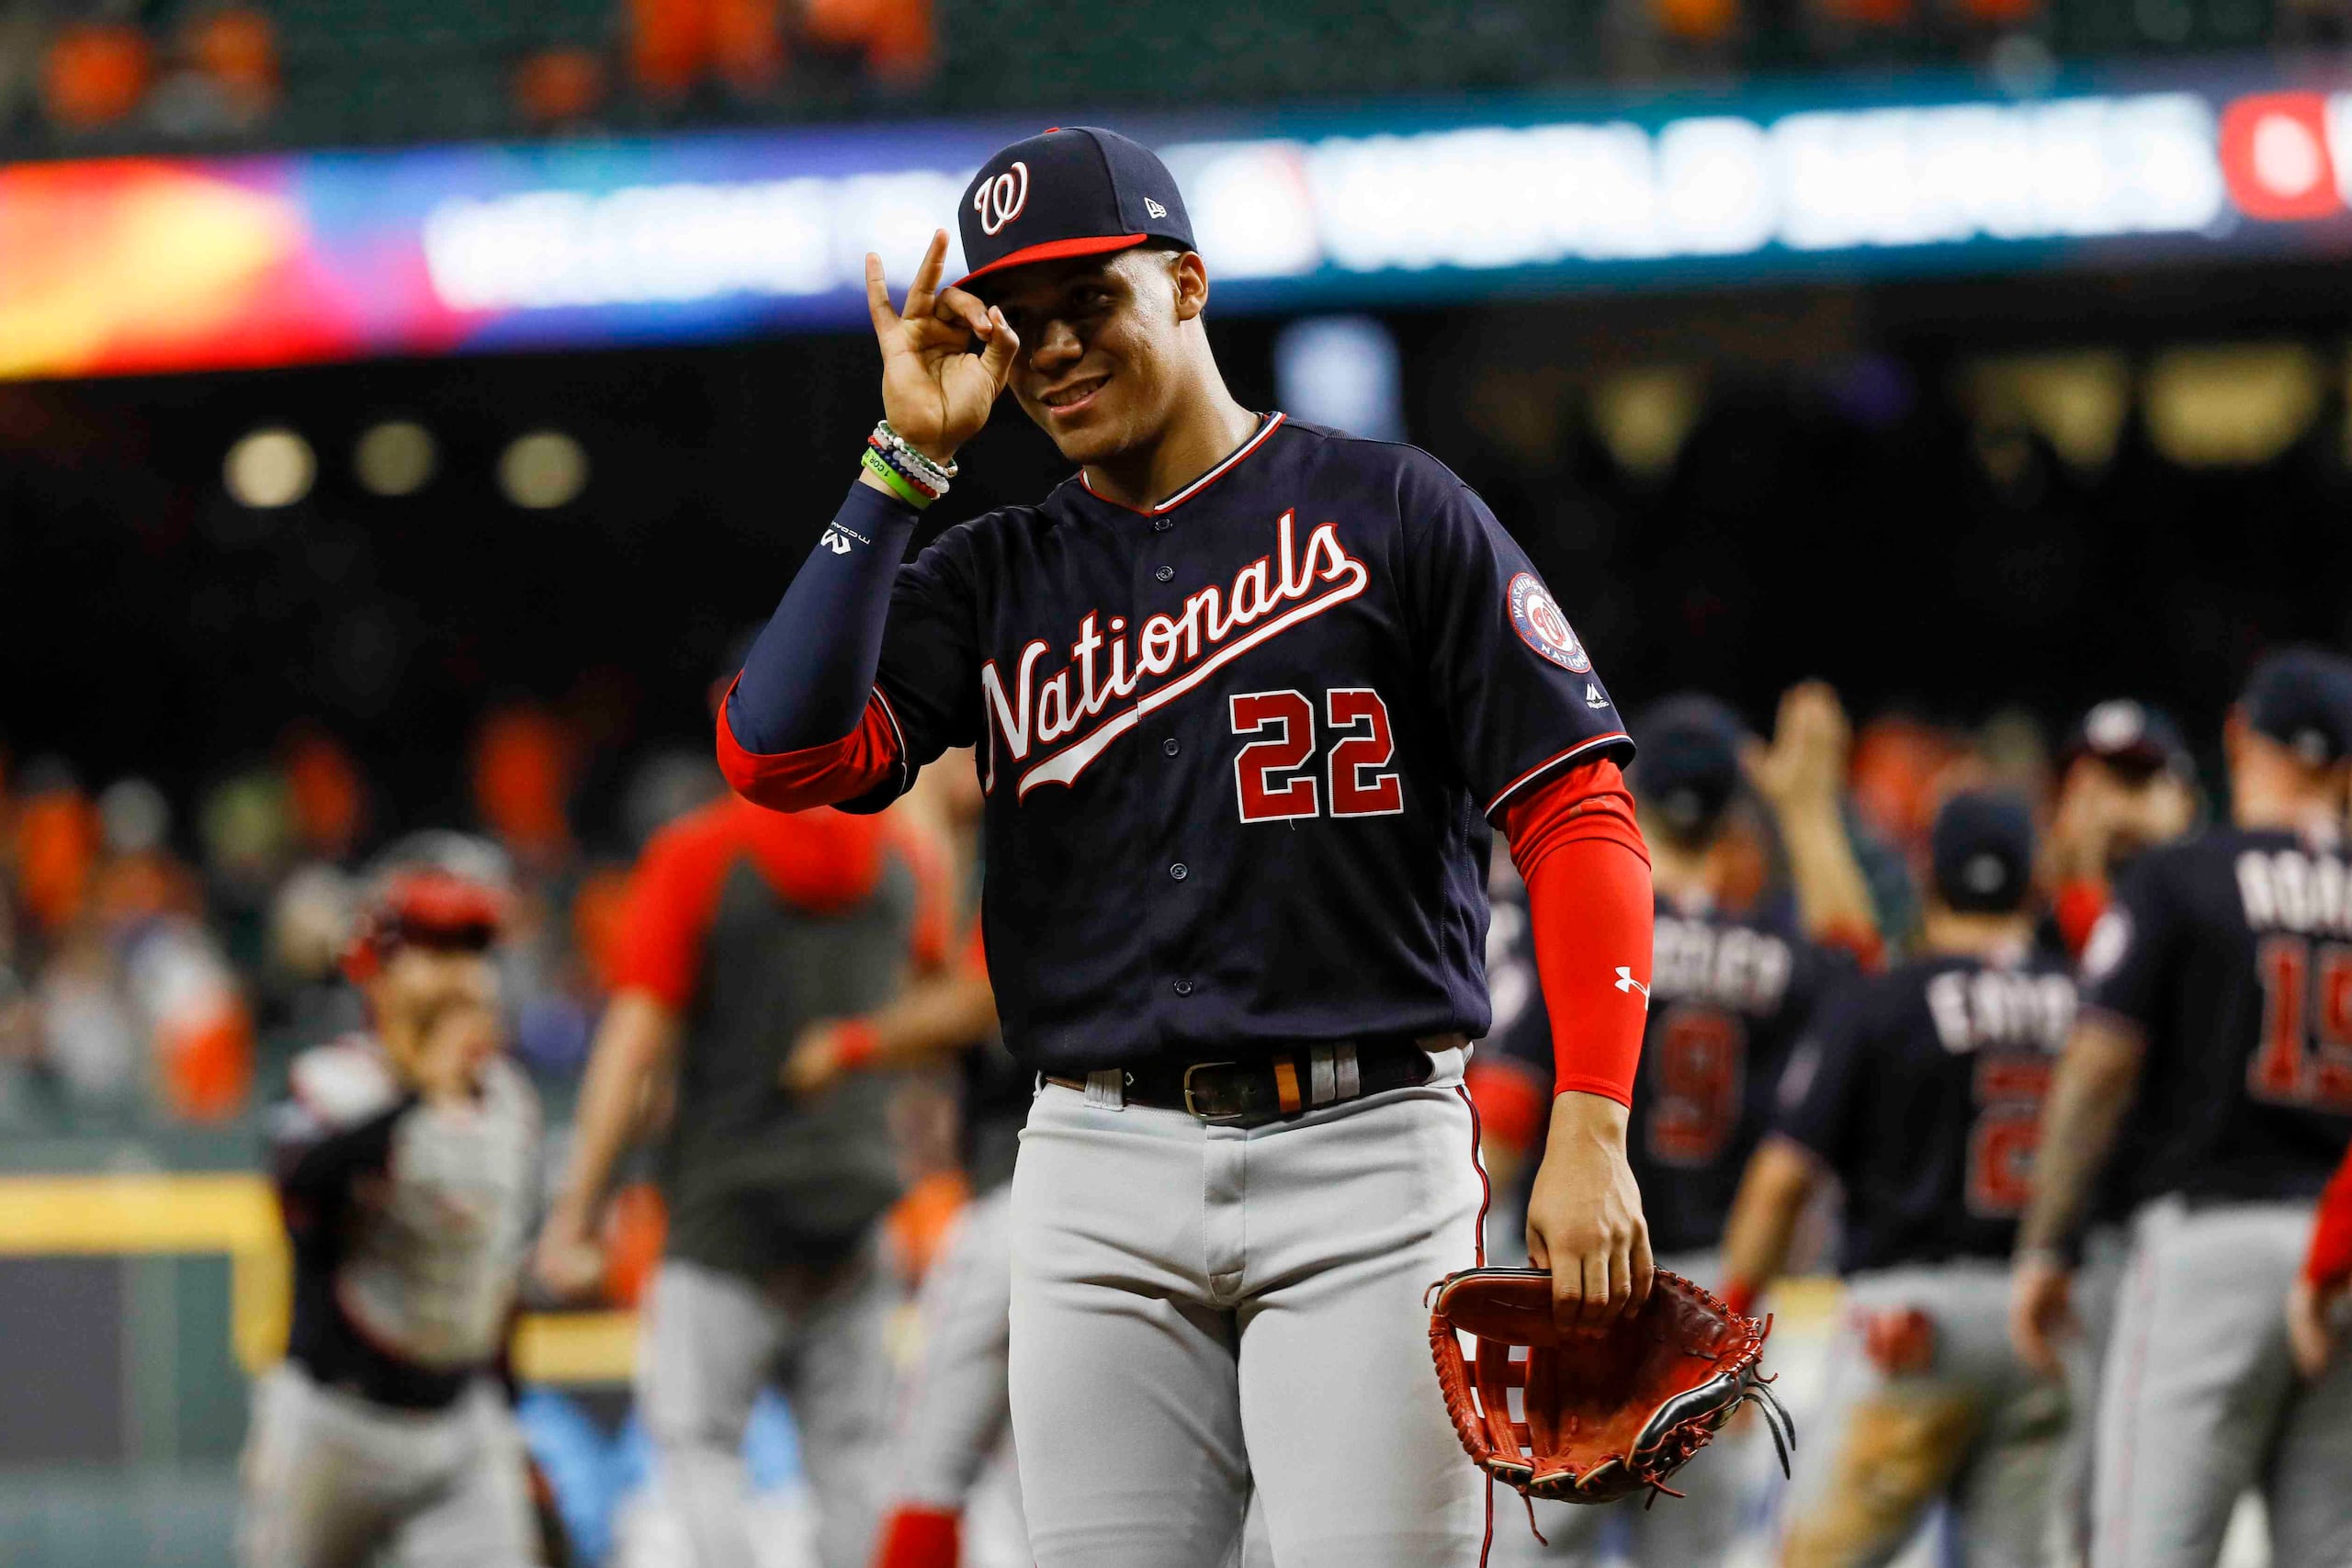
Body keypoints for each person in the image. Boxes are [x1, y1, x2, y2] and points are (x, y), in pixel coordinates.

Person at [714, 125, 1657, 1567]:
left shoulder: (1392, 508)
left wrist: (1591, 1123)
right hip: (1095, 1163)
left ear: (1189, 283)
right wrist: (901, 463)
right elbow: (776, 753)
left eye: (1090, 301)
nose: (1054, 349)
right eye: (1019, 322)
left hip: (1365, 1148)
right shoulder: (993, 574)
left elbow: (1576, 807)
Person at [1470, 690, 1862, 1566]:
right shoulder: (1777, 949)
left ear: (1634, 801)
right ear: (1732, 813)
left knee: (1536, 1537)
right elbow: (1858, 973)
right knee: (1694, 1548)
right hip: (1710, 1291)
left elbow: (1508, 1109)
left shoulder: (1580, 927)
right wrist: (1806, 811)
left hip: (1576, 1276)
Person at [530, 786, 951, 1568]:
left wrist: (576, 1210)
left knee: (699, 1446)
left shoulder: (702, 851)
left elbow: (632, 1044)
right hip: (854, 1207)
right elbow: (938, 1006)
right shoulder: (900, 855)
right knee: (854, 1456)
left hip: (725, 1210)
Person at [2008, 648, 2352, 1568]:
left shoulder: (2179, 876)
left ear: (2238, 738)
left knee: (2145, 1551)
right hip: (2341, 1249)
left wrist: (2046, 1242)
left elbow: (2095, 1072)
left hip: (2210, 1246)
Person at [1721, 791, 2075, 1568]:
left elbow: (1782, 1179)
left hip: (1909, 1324)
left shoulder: (1886, 999)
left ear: (1927, 877)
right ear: (2032, 883)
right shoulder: (2084, 999)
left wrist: (1733, 1325)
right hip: (2048, 1320)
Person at [240, 835, 546, 1568]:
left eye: (472, 949)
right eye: (435, 948)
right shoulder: (334, 1083)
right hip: (335, 1422)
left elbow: (498, 1279)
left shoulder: (512, 1102)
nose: (460, 973)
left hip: (460, 1423)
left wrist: (515, 1418)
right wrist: (416, 1100)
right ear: (378, 971)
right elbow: (299, 1201)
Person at [2032, 698, 2198, 1568]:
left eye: (2137, 781)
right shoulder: (2010, 918)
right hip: (2040, 1261)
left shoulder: (2204, 909)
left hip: (2151, 1241)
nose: (2113, 806)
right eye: (2093, 784)